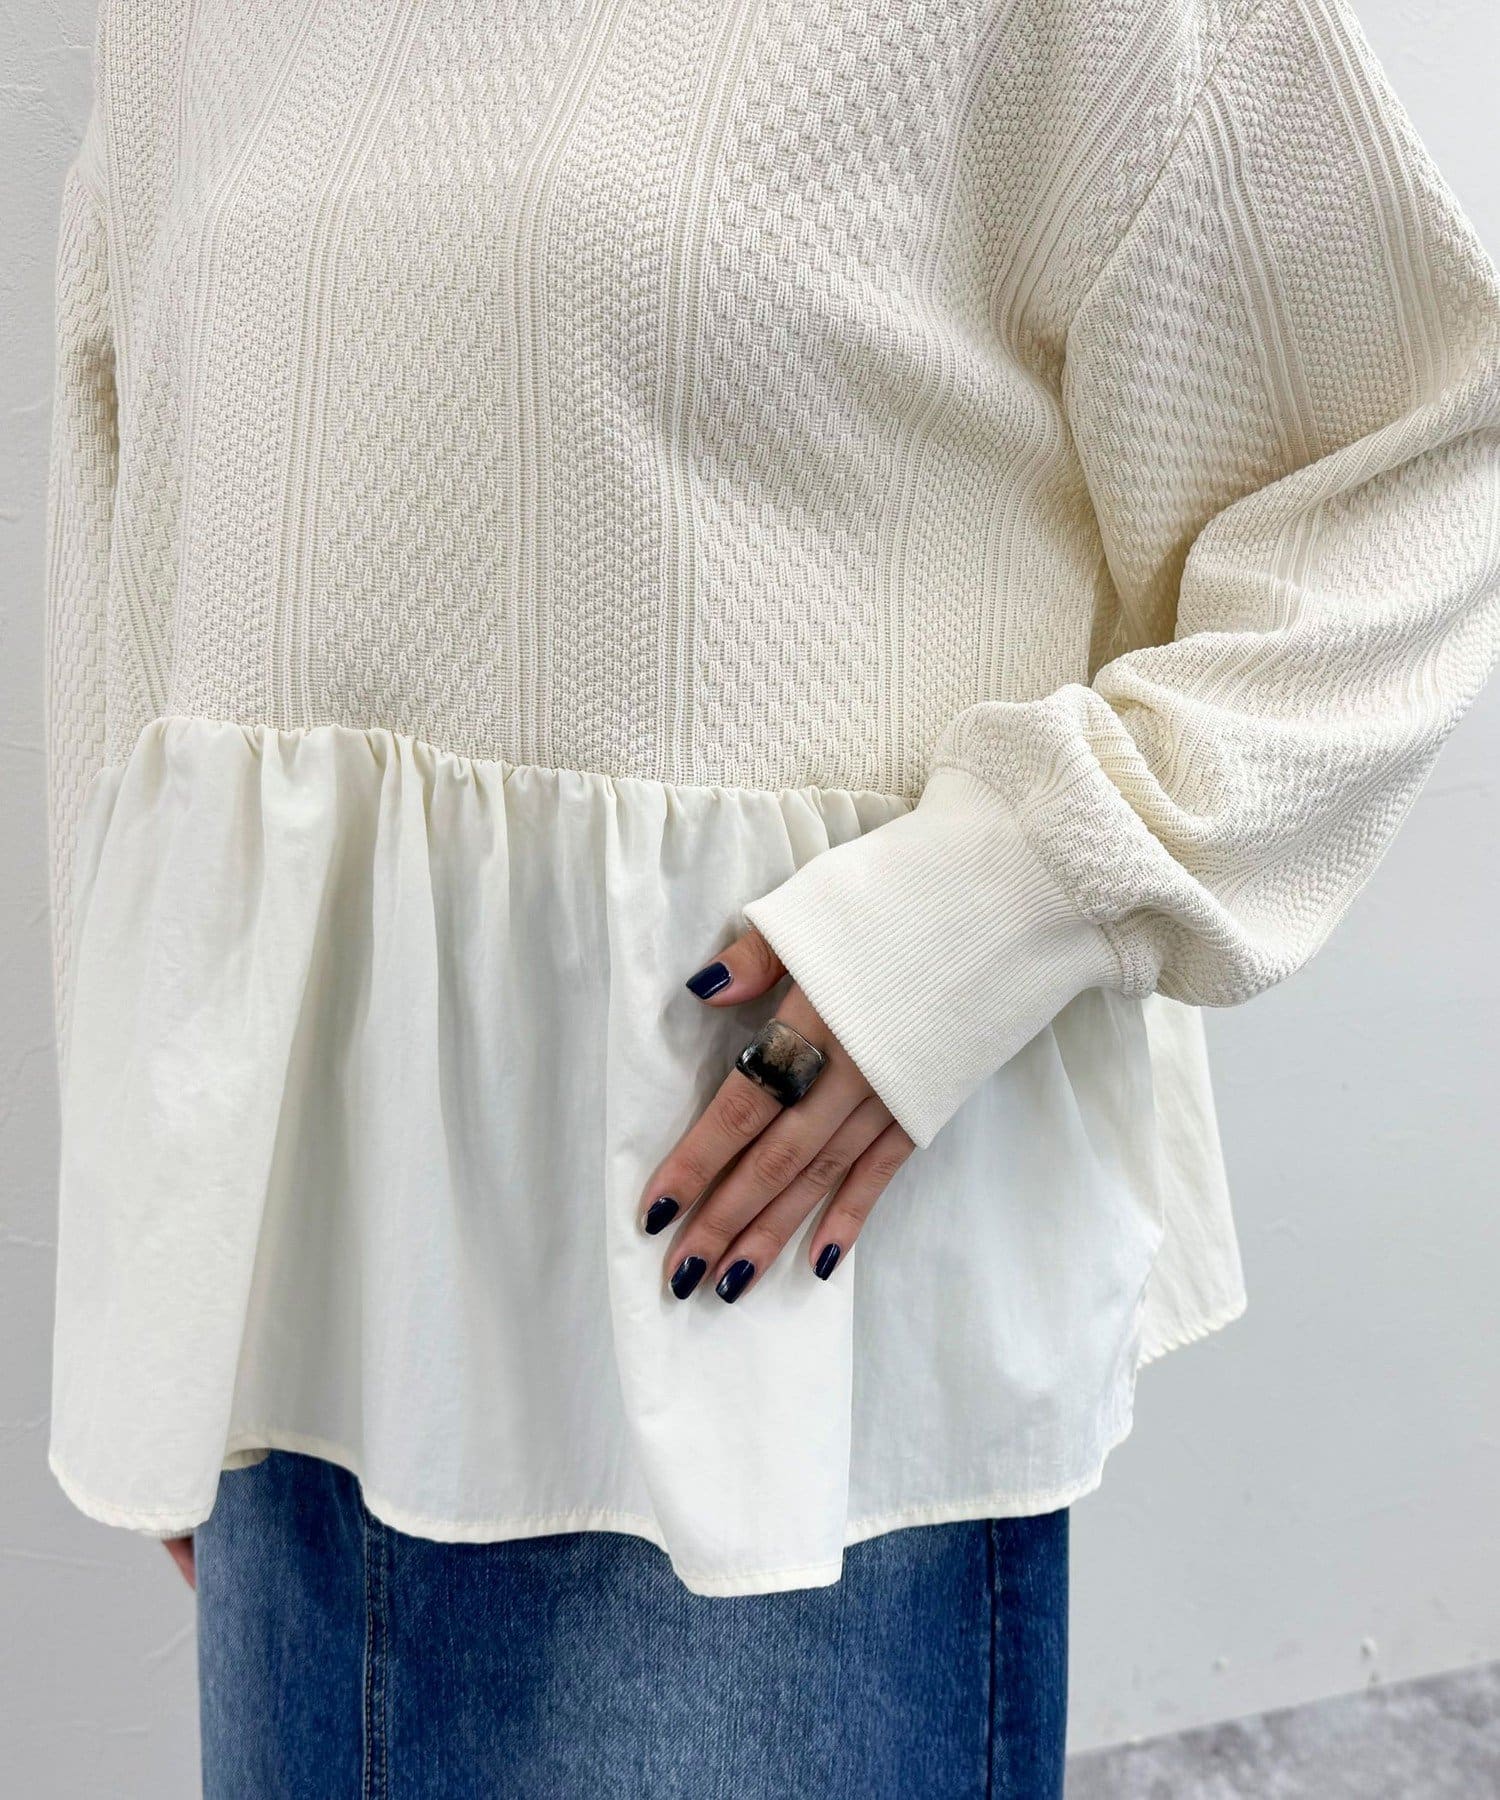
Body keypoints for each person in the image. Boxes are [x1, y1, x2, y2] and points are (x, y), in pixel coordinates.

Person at [41, 1, 1500, 1794]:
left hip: (759, 1345)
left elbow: (1412, 463)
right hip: (304, 1342)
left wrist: (998, 907)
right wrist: (154, 1262)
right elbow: (130, 589)